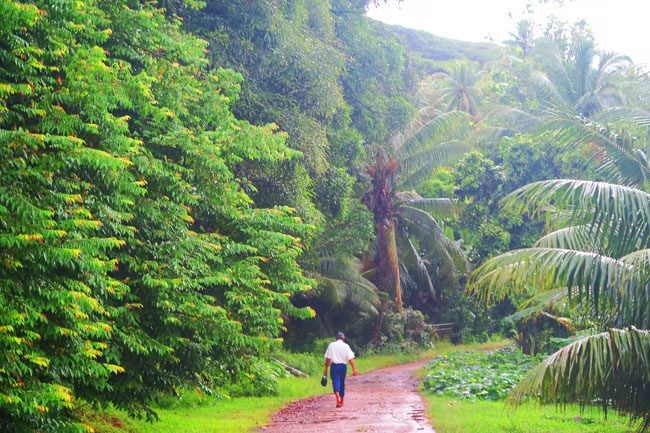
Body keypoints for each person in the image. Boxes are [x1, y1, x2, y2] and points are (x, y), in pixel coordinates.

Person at [323, 331, 357, 408]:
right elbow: (350, 359)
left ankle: (337, 398)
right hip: (343, 367)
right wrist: (354, 369)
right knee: (342, 383)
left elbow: (328, 358)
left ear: (336, 338)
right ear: (343, 339)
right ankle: (342, 401)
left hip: (334, 366)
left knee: (336, 381)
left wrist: (326, 368)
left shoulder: (332, 345)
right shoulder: (346, 346)